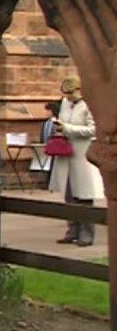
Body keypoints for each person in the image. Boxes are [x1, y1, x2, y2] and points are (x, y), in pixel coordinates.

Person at [51, 77, 104, 246]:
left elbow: (94, 129)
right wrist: (59, 127)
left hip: (82, 155)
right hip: (66, 154)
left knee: (84, 197)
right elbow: (63, 120)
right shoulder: (65, 104)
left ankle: (86, 235)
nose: (68, 97)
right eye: (65, 94)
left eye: (71, 93)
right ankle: (72, 231)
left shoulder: (90, 104)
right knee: (69, 196)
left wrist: (68, 129)